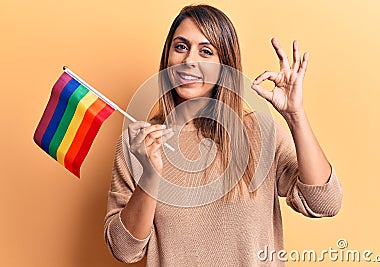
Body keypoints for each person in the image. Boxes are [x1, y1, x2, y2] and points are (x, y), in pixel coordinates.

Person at [104, 4, 343, 266]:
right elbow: (124, 250)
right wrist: (150, 176)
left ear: (224, 66)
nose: (189, 61)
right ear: (168, 57)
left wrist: (295, 115)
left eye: (206, 51)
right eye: (181, 47)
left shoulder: (259, 132)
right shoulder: (139, 143)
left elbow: (324, 203)